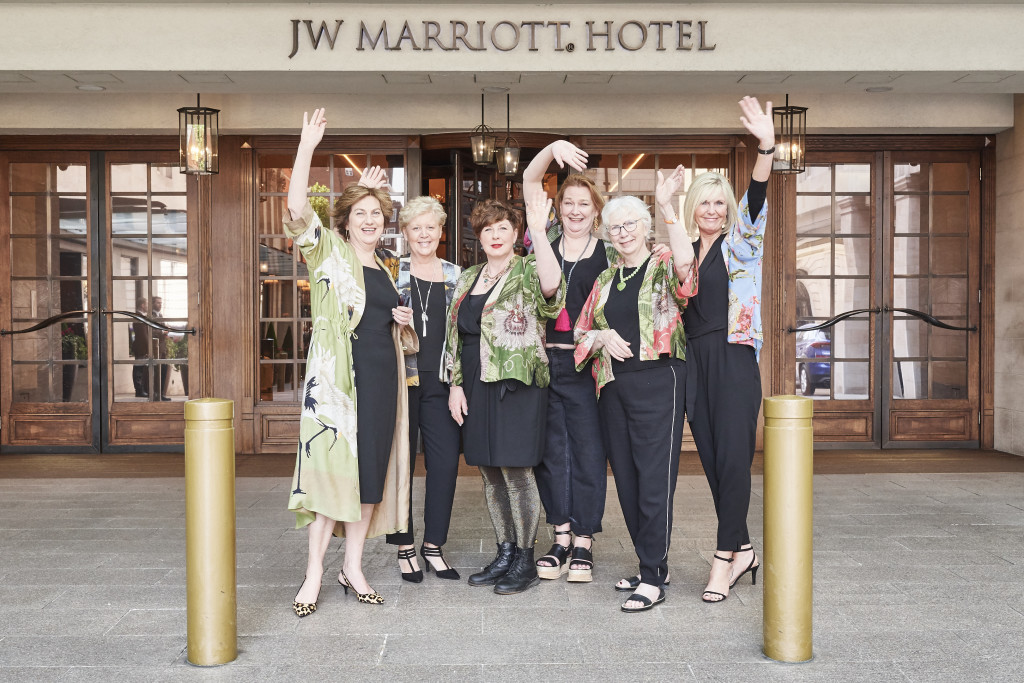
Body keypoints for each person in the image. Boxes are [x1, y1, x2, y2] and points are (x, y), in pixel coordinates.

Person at [285, 108, 412, 617]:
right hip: (339, 385)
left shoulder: (384, 265)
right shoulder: (327, 254)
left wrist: (402, 319)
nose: (369, 221)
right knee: (330, 479)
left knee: (368, 479)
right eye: (360, 214)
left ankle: (352, 566)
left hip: (382, 381)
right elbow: (297, 205)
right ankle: (314, 573)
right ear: (344, 222)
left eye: (376, 215)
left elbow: (381, 320)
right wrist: (307, 147)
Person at [658, 96, 774, 604]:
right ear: (692, 209)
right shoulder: (680, 253)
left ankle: (723, 560)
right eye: (703, 202)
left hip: (732, 358)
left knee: (733, 461)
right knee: (709, 458)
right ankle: (745, 546)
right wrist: (665, 211)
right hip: (693, 363)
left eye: (719, 202)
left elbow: (757, 194)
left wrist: (766, 147)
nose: (712, 209)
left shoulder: (741, 243)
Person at [573, 192, 697, 612]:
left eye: (630, 224)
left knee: (654, 478)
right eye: (615, 227)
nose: (623, 233)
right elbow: (579, 334)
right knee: (626, 477)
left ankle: (653, 576)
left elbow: (687, 272)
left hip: (658, 380)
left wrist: (669, 211)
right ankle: (649, 563)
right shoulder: (605, 280)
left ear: (645, 226)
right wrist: (600, 336)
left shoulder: (662, 263)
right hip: (613, 386)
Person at [443, 192, 565, 595]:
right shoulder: (467, 277)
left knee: (516, 471)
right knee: (489, 471)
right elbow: (455, 335)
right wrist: (456, 385)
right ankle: (505, 551)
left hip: (518, 382)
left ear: (516, 233)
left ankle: (526, 559)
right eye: (487, 230)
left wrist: (538, 227)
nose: (495, 235)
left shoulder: (529, 269)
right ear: (478, 237)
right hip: (476, 381)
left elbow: (552, 289)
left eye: (503, 228)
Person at [522, 142, 616, 582]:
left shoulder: (610, 254)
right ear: (556, 209)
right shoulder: (543, 245)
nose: (575, 210)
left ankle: (584, 540)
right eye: (568, 203)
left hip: (588, 369)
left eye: (584, 203)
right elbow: (528, 182)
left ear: (596, 210)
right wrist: (551, 150)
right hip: (545, 365)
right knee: (549, 453)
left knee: (588, 453)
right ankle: (560, 536)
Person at [383, 195, 463, 583]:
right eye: (417, 227)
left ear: (441, 231)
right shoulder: (389, 272)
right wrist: (390, 318)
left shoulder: (457, 275)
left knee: (445, 464)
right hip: (401, 379)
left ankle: (433, 545)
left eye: (431, 227)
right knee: (401, 463)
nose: (424, 234)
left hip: (442, 382)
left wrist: (459, 383)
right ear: (406, 233)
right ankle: (404, 546)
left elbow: (464, 336)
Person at [150, 296, 170, 401]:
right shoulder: (151, 315)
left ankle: (161, 394)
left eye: (161, 303)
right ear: (152, 303)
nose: (160, 305)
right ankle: (155, 395)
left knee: (163, 371)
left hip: (162, 348)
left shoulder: (160, 315)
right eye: (158, 303)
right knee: (156, 372)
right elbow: (150, 331)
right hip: (155, 348)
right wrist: (162, 332)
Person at [131, 296, 150, 398]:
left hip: (140, 346)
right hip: (141, 346)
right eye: (146, 304)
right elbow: (143, 335)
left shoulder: (140, 315)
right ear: (142, 305)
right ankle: (139, 390)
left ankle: (140, 390)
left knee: (140, 368)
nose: (148, 306)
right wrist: (148, 347)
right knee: (138, 368)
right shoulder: (139, 316)